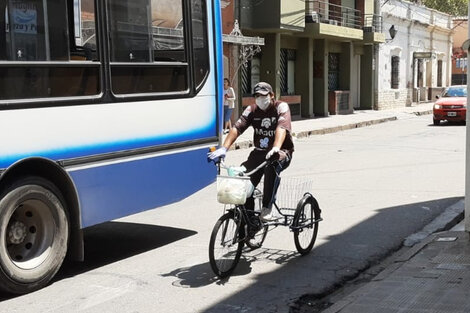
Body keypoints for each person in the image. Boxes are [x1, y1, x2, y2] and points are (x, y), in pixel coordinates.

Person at [208, 82, 294, 221]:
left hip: (280, 152)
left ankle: (267, 207)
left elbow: (281, 128)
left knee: (271, 168)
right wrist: (224, 148)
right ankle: (250, 220)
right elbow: (237, 128)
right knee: (243, 177)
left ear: (271, 95)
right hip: (259, 152)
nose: (260, 99)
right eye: (257, 96)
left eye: (263, 95)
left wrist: (276, 147)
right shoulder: (252, 109)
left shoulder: (281, 107)